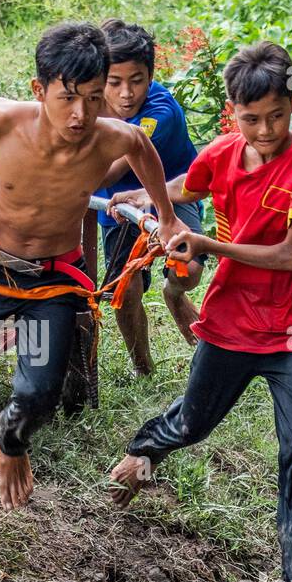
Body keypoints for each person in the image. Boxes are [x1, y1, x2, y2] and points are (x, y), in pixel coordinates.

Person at [0, 22, 179, 512]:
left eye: (92, 97)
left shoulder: (112, 138)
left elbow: (141, 149)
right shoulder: (3, 120)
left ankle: (11, 443)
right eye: (67, 97)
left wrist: (166, 219)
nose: (80, 113)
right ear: (39, 90)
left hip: (52, 278)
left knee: (40, 390)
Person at [108, 41, 292, 582]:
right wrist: (144, 199)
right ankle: (140, 454)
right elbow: (189, 183)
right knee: (192, 424)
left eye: (276, 116)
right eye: (249, 119)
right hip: (232, 322)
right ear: (230, 115)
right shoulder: (223, 154)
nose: (264, 132)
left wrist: (207, 246)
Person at [94, 19, 204, 375]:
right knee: (123, 293)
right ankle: (143, 367)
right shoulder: (87, 103)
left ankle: (174, 293)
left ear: (151, 76)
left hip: (171, 194)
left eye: (137, 81)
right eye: (115, 82)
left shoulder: (160, 112)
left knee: (188, 267)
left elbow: (110, 167)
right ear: (100, 78)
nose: (126, 93)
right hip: (115, 205)